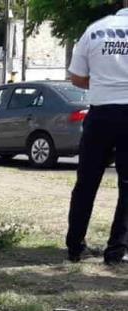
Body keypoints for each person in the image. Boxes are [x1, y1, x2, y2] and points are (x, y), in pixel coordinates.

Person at [66, 7, 128, 265]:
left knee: (86, 182)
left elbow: (77, 77)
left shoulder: (94, 29)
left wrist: (103, 83)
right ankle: (116, 251)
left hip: (100, 113)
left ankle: (75, 247)